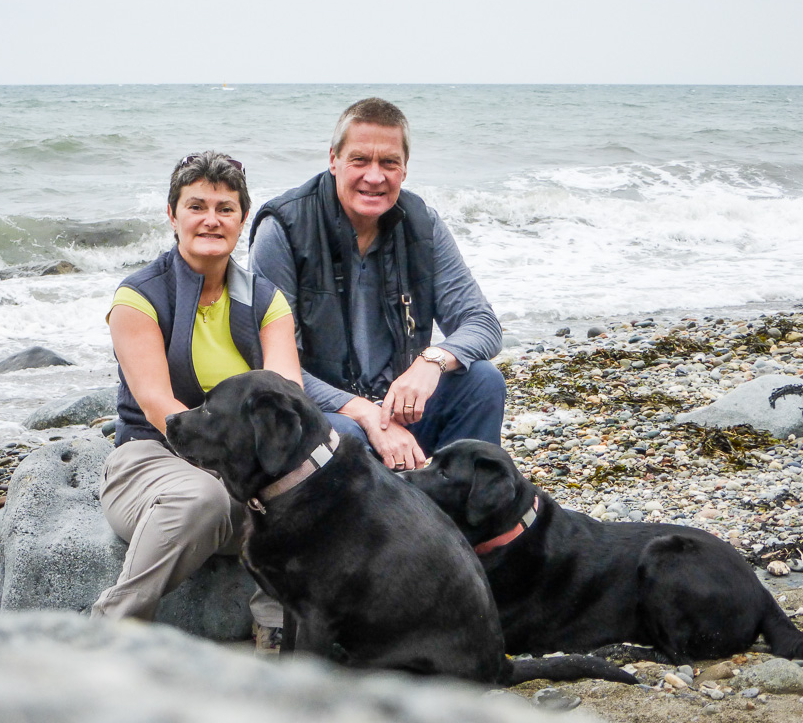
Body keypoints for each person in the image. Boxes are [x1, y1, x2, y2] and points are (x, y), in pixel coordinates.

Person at [92, 152, 299, 652]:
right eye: (197, 206)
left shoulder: (267, 300)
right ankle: (109, 631)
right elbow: (156, 401)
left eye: (226, 208)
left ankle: (279, 635)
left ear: (243, 219)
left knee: (304, 493)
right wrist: (223, 468)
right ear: (172, 214)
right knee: (201, 498)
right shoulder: (138, 296)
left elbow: (287, 394)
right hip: (152, 459)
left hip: (245, 475)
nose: (211, 219)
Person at [249, 98, 505, 472]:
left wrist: (429, 362)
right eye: (359, 160)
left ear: (404, 169)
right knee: (343, 437)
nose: (374, 176)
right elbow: (274, 368)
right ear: (333, 160)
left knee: (482, 381)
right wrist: (366, 414)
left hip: (398, 404)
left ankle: (464, 518)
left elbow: (483, 324)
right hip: (322, 411)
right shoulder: (283, 229)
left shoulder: (423, 225)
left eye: (389, 163)